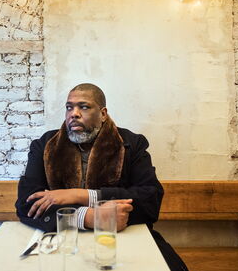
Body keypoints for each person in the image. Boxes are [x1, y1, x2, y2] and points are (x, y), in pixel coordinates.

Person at [15, 83, 188, 271]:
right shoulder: (45, 145)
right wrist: (88, 217)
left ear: (103, 113)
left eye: (84, 107)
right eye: (69, 107)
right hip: (62, 240)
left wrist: (80, 195)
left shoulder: (132, 143)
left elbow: (150, 199)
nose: (74, 113)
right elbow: (26, 203)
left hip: (122, 238)